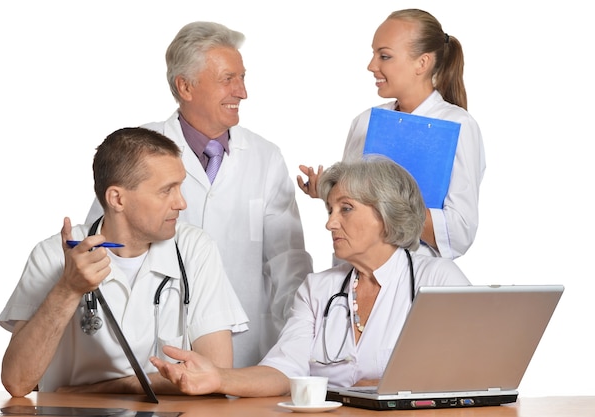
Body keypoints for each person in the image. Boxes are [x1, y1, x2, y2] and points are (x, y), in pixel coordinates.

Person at [85, 21, 313, 368]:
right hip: (154, 352)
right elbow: (103, 244)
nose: (242, 92)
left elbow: (289, 264)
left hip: (246, 352)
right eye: (228, 79)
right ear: (185, 86)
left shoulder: (265, 157)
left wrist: (296, 349)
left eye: (242, 78)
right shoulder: (137, 149)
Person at [149, 157, 471, 396]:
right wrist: (219, 378)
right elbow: (284, 370)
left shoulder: (438, 281)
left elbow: (472, 369)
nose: (330, 223)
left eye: (345, 209)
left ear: (387, 215)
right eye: (330, 210)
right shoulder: (319, 289)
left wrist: (390, 385)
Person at [0, 127, 249, 397]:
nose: (182, 203)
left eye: (180, 187)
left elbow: (216, 376)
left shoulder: (195, 250)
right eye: (166, 191)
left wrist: (118, 386)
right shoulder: (53, 255)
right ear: (117, 198)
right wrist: (68, 289)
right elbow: (17, 382)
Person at [298, 8, 485, 260]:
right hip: (356, 275)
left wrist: (385, 207)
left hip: (415, 275)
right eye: (374, 54)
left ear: (422, 62)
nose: (371, 65)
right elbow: (350, 213)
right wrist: (330, 192)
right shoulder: (364, 122)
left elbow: (458, 232)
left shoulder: (457, 126)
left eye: (384, 56)